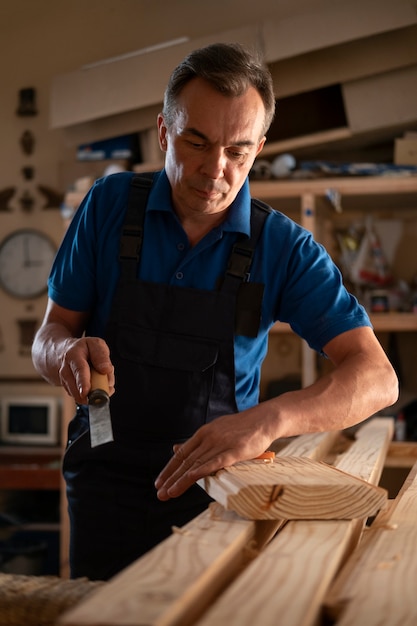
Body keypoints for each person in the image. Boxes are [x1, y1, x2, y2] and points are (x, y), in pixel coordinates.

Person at [32, 42, 398, 581]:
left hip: (220, 494)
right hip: (104, 476)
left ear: (260, 147)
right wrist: (64, 350)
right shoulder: (108, 205)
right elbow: (50, 334)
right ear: (164, 132)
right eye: (196, 142)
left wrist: (270, 420)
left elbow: (377, 378)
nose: (215, 170)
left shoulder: (284, 247)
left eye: (238, 151)